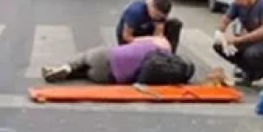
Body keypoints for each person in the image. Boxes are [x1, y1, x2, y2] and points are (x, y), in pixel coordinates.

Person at [41, 36, 173, 84]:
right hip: (109, 77)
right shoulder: (162, 63)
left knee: (84, 58)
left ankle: (65, 67)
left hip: (107, 56)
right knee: (86, 74)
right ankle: (72, 73)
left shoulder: (160, 41)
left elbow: (133, 40)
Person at [116, 0, 183, 52]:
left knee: (175, 24)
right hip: (129, 36)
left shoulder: (160, 11)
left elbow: (158, 34)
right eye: (157, 15)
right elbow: (126, 36)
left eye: (161, 17)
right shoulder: (135, 11)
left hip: (145, 31)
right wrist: (149, 40)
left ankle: (169, 59)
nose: (158, 18)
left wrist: (160, 44)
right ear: (151, 7)